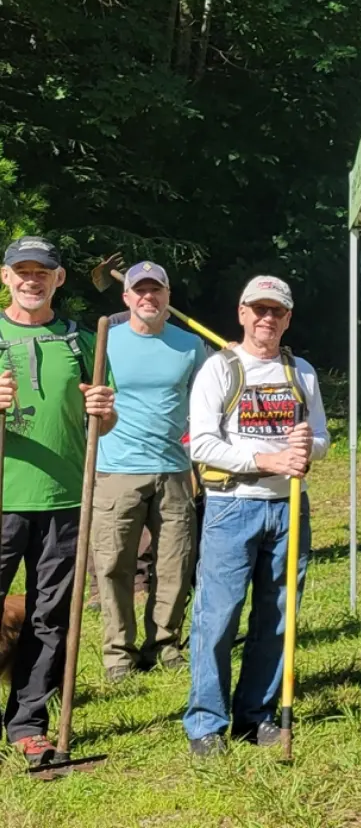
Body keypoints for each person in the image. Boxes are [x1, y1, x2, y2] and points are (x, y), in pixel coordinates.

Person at [184, 275, 322, 757]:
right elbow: (201, 444)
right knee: (217, 617)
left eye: (277, 311)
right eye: (258, 309)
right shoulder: (219, 370)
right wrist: (266, 460)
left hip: (289, 508)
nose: (267, 319)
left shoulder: (301, 371)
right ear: (242, 313)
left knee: (278, 618)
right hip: (231, 506)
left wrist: (307, 449)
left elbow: (320, 439)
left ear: (288, 318)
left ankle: (257, 715)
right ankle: (205, 723)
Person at [0, 236, 117, 766]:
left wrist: (102, 408)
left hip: (66, 499)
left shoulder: (80, 339)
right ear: (5, 278)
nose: (31, 279)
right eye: (21, 271)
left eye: (41, 272)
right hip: (2, 498)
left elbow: (106, 419)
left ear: (59, 279)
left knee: (50, 617)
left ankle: (28, 724)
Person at [94, 260, 206, 682]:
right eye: (139, 290)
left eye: (155, 290)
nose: (147, 297)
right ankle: (117, 653)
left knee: (175, 562)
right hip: (114, 470)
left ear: (167, 297)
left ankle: (164, 643)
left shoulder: (190, 345)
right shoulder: (103, 341)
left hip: (175, 470)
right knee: (113, 565)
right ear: (127, 298)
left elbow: (206, 404)